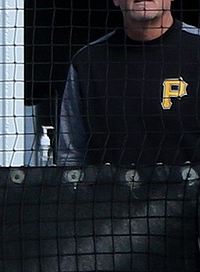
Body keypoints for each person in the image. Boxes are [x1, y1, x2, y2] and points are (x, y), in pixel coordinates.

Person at [57, 0, 200, 166]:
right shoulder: (87, 62)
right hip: (110, 191)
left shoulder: (196, 51)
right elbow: (71, 157)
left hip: (188, 191)